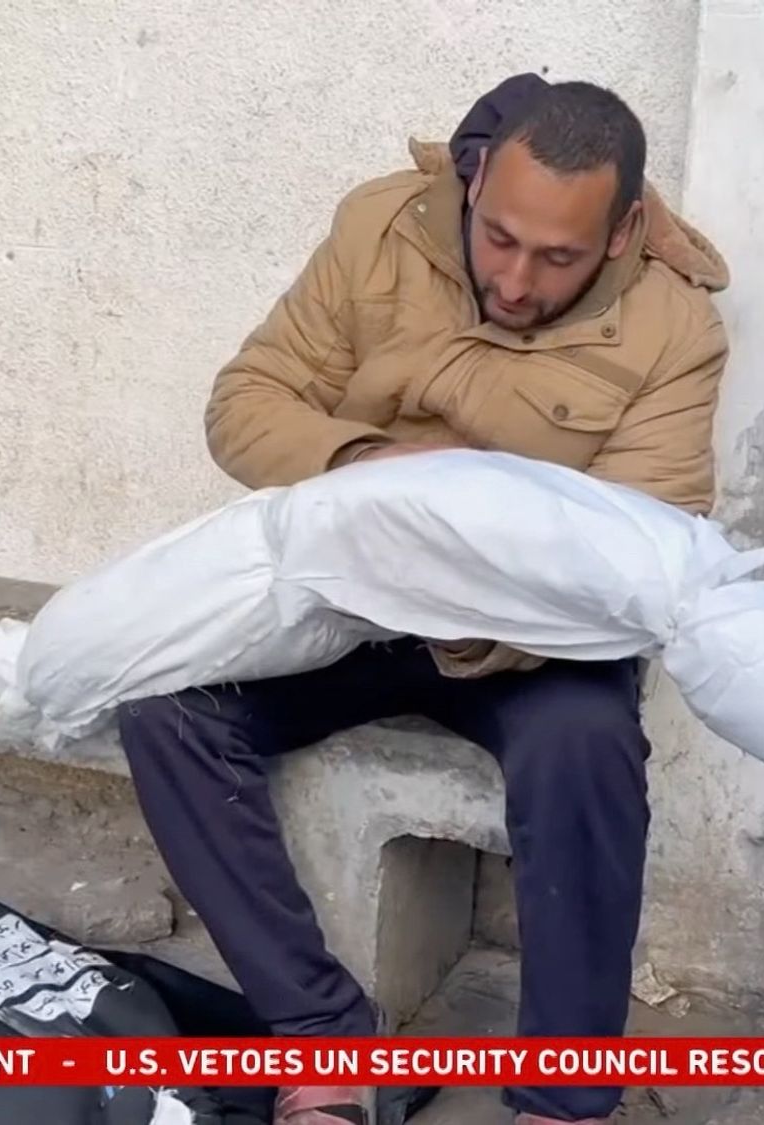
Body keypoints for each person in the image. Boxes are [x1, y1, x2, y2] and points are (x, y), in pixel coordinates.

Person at [117, 74, 730, 1125]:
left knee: (585, 748)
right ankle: (320, 1042)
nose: (515, 280)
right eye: (497, 237)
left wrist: (470, 577)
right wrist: (371, 467)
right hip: (343, 609)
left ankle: (564, 1098)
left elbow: (636, 562)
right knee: (165, 705)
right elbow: (245, 403)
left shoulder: (674, 331)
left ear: (622, 226)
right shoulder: (379, 228)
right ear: (475, 176)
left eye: (557, 257)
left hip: (523, 642)